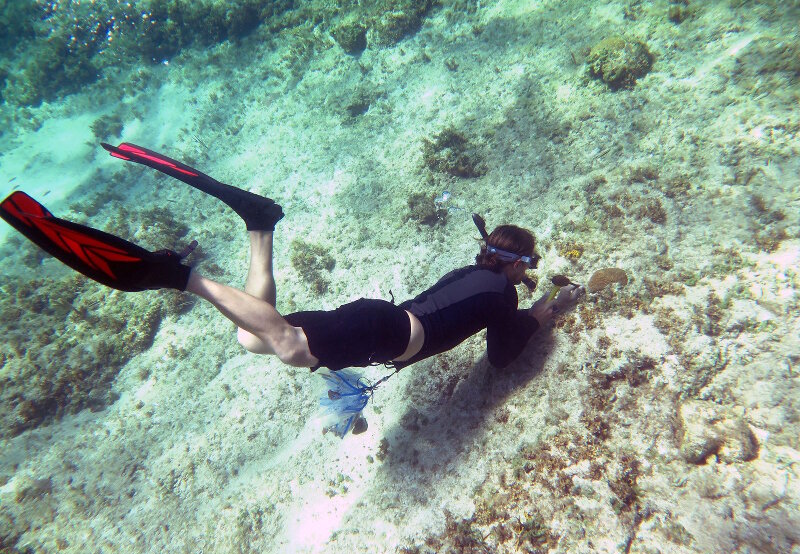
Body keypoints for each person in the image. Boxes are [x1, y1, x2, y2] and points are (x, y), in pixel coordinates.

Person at [0, 142, 584, 378]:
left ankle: (259, 224)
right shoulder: (503, 291)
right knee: (282, 343)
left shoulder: (472, 273)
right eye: (526, 265)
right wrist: (548, 308)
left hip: (377, 318)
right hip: (385, 332)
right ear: (515, 265)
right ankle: (178, 276)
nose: (525, 274)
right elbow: (504, 356)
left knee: (255, 339)